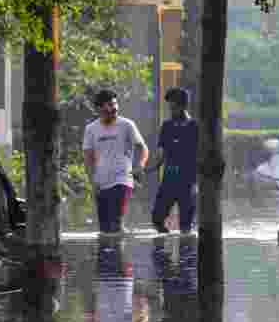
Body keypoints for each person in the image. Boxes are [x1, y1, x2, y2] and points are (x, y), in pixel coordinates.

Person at [83, 89, 149, 234]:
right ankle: (111, 252)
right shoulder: (91, 129)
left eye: (115, 104)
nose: (114, 108)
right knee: (105, 229)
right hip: (101, 182)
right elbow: (88, 158)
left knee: (116, 222)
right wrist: (92, 181)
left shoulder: (127, 125)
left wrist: (140, 165)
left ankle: (121, 252)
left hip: (122, 179)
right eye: (109, 106)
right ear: (99, 109)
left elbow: (143, 148)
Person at [149, 87, 198, 234]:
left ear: (183, 106)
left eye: (174, 106)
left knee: (185, 225)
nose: (171, 110)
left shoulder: (194, 126)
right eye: (170, 106)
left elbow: (201, 154)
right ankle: (163, 250)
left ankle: (186, 252)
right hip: (169, 179)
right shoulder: (167, 126)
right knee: (157, 219)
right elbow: (161, 152)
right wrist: (151, 168)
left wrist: (198, 181)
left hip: (188, 181)